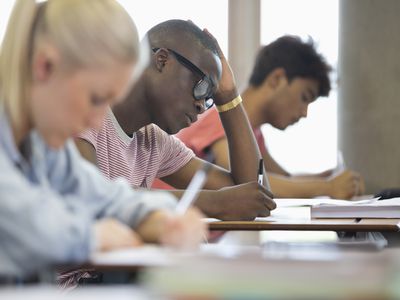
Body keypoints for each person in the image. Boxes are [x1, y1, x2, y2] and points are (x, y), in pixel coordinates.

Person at [0, 0, 206, 281]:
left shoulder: (40, 149)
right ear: (45, 67)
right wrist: (93, 236)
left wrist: (162, 219)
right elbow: (20, 224)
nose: (98, 121)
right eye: (96, 99)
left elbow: (105, 197)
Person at [76, 19, 275, 221]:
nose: (201, 105)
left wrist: (228, 96)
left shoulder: (154, 142)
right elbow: (92, 194)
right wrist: (213, 202)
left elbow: (252, 197)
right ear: (162, 60)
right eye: (202, 86)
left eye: (208, 99)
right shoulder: (83, 112)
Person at [175, 35, 365, 199]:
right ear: (277, 79)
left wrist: (325, 178)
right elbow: (248, 182)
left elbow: (281, 178)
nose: (304, 113)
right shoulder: (219, 119)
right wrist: (328, 188)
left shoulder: (254, 136)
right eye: (304, 98)